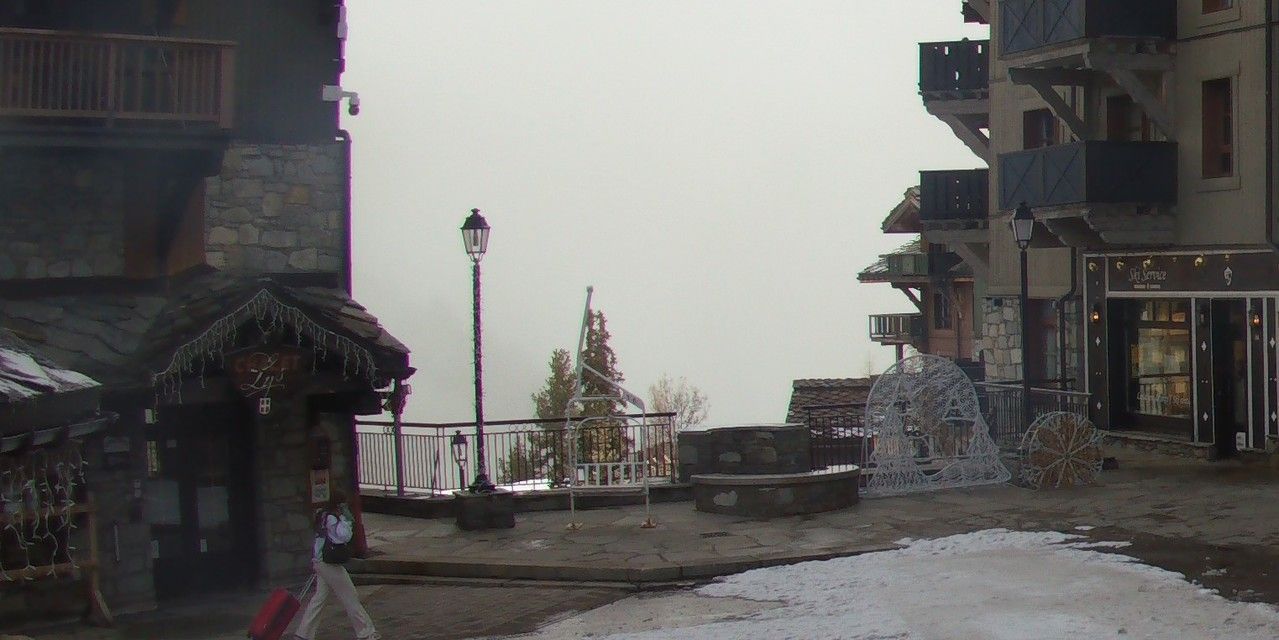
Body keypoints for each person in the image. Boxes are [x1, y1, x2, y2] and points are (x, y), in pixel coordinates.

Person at [294, 490, 380, 640]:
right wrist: (346, 520)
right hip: (329, 564)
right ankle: (366, 632)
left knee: (319, 599)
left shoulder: (322, 515)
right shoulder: (332, 519)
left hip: (320, 561)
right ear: (339, 505)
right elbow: (343, 537)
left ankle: (303, 634)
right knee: (350, 595)